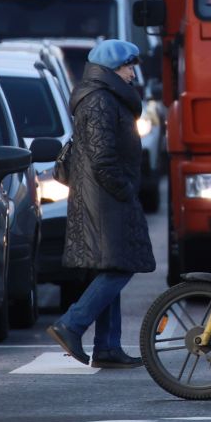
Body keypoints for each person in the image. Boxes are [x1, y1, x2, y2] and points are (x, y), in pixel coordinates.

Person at [46, 39, 156, 368]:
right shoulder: (99, 100)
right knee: (119, 267)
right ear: (111, 67)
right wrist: (122, 189)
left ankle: (107, 347)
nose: (133, 73)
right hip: (106, 199)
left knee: (112, 265)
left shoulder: (107, 97)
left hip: (105, 196)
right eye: (128, 66)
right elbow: (102, 157)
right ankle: (72, 324)